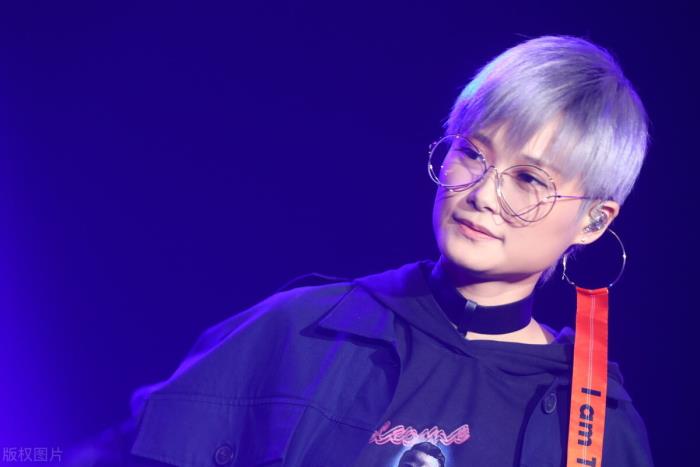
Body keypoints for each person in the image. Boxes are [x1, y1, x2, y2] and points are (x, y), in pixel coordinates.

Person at [66, 35, 653, 466]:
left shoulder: (594, 420)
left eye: (528, 179)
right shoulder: (302, 329)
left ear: (593, 221)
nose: (482, 194)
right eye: (472, 153)